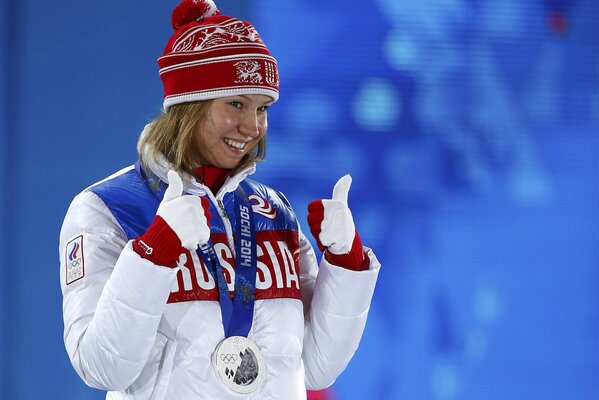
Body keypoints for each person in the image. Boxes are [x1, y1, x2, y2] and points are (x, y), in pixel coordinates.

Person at [59, 0, 381, 398]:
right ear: (188, 106)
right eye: (236, 104)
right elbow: (102, 366)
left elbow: (318, 368)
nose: (253, 127)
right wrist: (156, 250)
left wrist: (346, 261)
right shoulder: (108, 207)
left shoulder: (274, 212)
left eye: (262, 108)